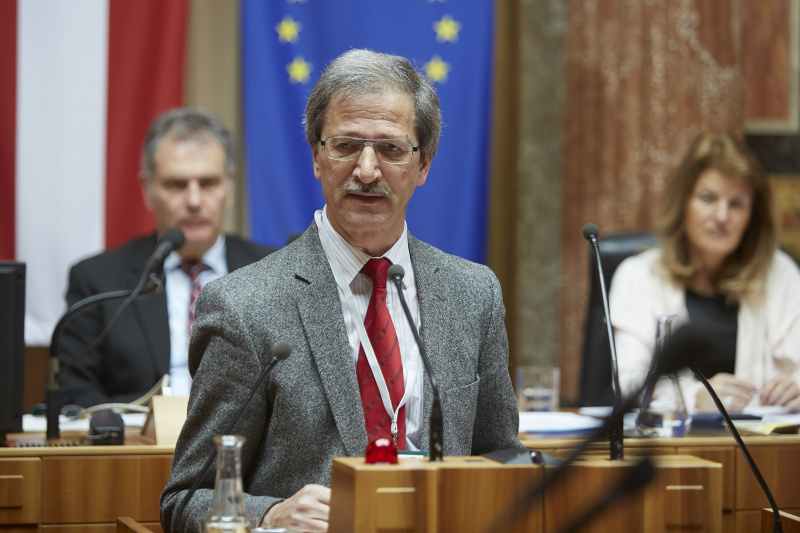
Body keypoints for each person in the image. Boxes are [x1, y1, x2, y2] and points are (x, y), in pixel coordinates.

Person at [160, 49, 522, 532]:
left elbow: (499, 455)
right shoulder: (243, 306)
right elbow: (185, 500)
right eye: (347, 145)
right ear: (316, 156)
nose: (367, 171)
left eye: (391, 149)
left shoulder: (472, 294)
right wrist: (270, 514)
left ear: (424, 165)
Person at [58, 107, 276, 408]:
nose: (194, 201)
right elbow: (74, 396)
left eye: (208, 183)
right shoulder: (98, 279)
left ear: (229, 186)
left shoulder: (272, 271)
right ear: (147, 189)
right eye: (176, 185)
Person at [611, 132, 800, 413]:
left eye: (736, 204)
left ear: (752, 216)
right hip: (674, 448)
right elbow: (629, 382)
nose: (722, 216)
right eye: (708, 198)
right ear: (683, 203)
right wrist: (694, 397)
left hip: (761, 449)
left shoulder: (780, 273)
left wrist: (795, 386)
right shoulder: (639, 276)